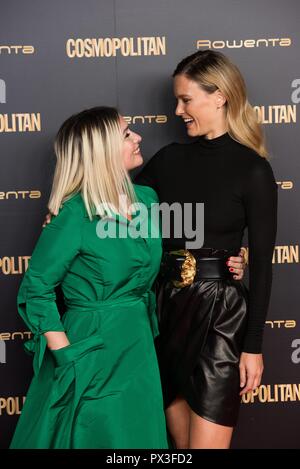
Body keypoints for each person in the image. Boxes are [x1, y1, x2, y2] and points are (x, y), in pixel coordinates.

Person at [135, 49, 278, 449]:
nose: (178, 110)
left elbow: (263, 267)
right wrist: (66, 209)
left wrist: (253, 347)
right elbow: (116, 213)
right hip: (165, 310)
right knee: (180, 448)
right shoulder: (167, 161)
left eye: (186, 99)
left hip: (220, 316)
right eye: (176, 101)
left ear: (219, 97)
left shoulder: (253, 169)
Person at [10, 106, 168, 449]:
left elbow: (142, 264)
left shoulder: (147, 200)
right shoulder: (74, 215)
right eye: (127, 134)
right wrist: (67, 358)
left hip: (139, 346)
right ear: (102, 151)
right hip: (91, 351)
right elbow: (36, 289)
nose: (138, 137)